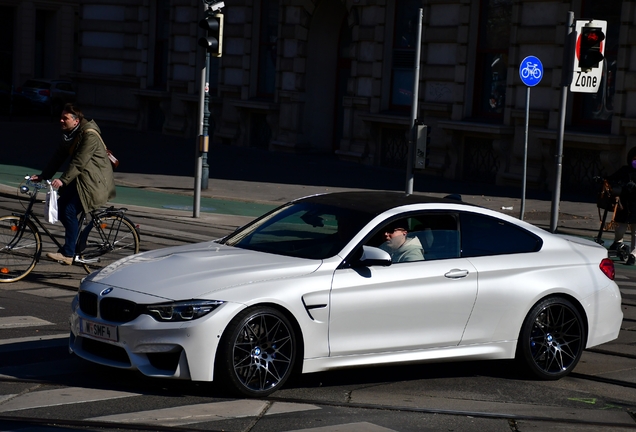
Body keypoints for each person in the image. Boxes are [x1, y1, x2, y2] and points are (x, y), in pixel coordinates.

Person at [31, 103, 116, 265]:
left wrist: (63, 180)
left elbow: (79, 162)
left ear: (76, 121)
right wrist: (43, 176)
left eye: (65, 118)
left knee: (68, 211)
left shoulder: (89, 135)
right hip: (82, 179)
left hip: (95, 182)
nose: (61, 121)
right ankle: (74, 243)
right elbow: (58, 157)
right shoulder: (70, 134)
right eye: (61, 117)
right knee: (61, 207)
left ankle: (68, 253)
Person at [606, 147, 636, 265]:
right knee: (620, 229)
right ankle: (619, 242)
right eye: (634, 158)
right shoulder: (625, 170)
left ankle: (633, 255)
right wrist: (602, 180)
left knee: (635, 232)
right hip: (624, 205)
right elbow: (612, 179)